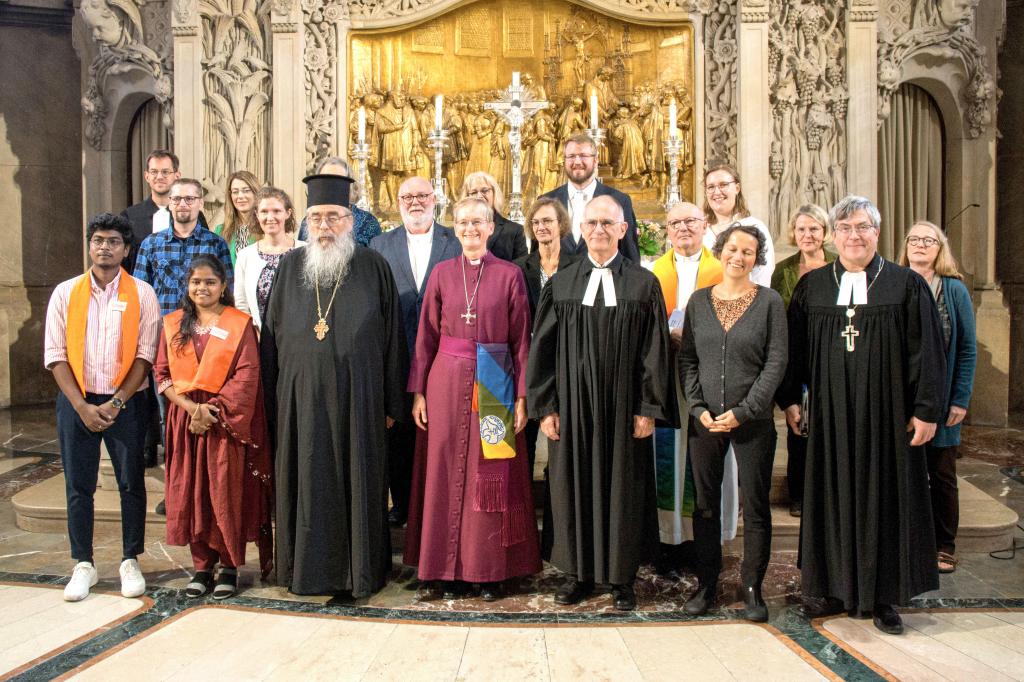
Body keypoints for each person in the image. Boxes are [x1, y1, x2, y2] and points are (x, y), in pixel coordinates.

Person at [781, 195, 946, 635]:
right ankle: (833, 587)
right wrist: (791, 400)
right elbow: (793, 352)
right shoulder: (813, 287)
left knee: (884, 497)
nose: (854, 235)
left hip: (888, 416)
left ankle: (883, 597)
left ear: (877, 232)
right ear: (834, 236)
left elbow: (927, 352)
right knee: (830, 494)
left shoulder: (904, 285)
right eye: (846, 228)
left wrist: (927, 410)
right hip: (830, 416)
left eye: (862, 227)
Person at [260, 173, 407, 599]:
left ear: (350, 220)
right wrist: (273, 403)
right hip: (299, 403)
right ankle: (304, 570)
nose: (325, 226)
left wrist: (390, 403)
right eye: (317, 217)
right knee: (306, 478)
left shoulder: (373, 266)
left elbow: (394, 339)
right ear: (305, 223)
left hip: (360, 401)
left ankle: (359, 570)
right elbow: (270, 340)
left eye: (334, 217)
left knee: (359, 482)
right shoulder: (289, 268)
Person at [527, 195, 676, 611]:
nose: (599, 230)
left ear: (623, 230)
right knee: (572, 484)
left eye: (608, 223)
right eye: (592, 222)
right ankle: (577, 574)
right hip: (573, 408)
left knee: (622, 488)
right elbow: (542, 350)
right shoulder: (561, 283)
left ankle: (621, 577)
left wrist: (648, 408)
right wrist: (546, 406)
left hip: (624, 408)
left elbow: (654, 352)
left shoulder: (643, 285)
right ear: (580, 229)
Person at [404, 197, 541, 602]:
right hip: (445, 379)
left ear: (491, 227)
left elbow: (522, 342)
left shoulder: (511, 275)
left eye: (478, 222)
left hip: (496, 375)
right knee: (444, 468)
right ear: (455, 227)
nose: (470, 229)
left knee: (490, 474)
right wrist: (418, 392)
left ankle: (489, 569)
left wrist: (521, 396)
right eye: (463, 222)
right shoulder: (443, 274)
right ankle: (440, 568)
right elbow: (425, 336)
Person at [44, 213, 160, 602]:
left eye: (113, 241)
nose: (104, 247)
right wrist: (81, 406)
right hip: (77, 401)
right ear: (89, 245)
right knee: (78, 485)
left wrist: (115, 402)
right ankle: (83, 563)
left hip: (125, 402)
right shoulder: (65, 293)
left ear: (126, 250)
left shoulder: (142, 293)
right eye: (97, 240)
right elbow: (55, 354)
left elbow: (146, 356)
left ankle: (130, 559)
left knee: (131, 484)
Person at [679, 224, 788, 622]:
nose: (738, 257)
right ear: (720, 251)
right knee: (706, 505)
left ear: (755, 260)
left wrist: (745, 410)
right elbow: (688, 359)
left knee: (756, 506)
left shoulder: (769, 302)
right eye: (733, 248)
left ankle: (752, 588)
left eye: (748, 251)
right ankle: (707, 583)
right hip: (706, 420)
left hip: (753, 421)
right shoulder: (699, 301)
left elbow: (776, 362)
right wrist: (697, 407)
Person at [154, 255, 273, 599]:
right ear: (187, 287)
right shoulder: (174, 324)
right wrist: (193, 408)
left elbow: (248, 373)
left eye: (209, 282)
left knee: (224, 491)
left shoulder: (240, 324)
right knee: (193, 493)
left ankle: (230, 565)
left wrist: (214, 411)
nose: (202, 288)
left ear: (223, 286)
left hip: (224, 423)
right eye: (195, 282)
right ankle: (202, 567)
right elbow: (162, 375)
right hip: (188, 423)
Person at [369, 176, 461, 526]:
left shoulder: (454, 241)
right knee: (399, 432)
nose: (415, 202)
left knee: (443, 433)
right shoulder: (380, 244)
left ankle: (439, 503)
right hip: (397, 352)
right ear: (398, 201)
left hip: (446, 355)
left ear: (435, 199)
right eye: (407, 196)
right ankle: (403, 505)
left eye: (422, 195)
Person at [898, 220, 977, 575]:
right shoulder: (894, 284)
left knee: (941, 473)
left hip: (942, 397)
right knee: (906, 474)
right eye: (914, 239)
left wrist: (960, 398)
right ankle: (910, 541)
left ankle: (944, 545)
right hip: (902, 398)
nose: (920, 245)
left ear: (940, 248)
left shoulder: (953, 289)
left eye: (928, 240)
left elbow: (967, 350)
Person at [649, 202, 724, 552]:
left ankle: (704, 538)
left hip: (708, 377)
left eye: (690, 221)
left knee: (702, 454)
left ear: (705, 225)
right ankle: (669, 535)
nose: (683, 228)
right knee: (668, 451)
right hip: (667, 374)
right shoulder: (653, 272)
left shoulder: (723, 270)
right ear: (667, 230)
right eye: (675, 223)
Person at [770, 204, 836, 517]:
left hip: (832, 355)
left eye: (814, 229)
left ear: (825, 233)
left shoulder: (840, 265)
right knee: (799, 426)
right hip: (795, 355)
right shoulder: (783, 269)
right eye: (801, 229)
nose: (807, 235)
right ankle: (799, 494)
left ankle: (829, 490)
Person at [134, 178, 233, 316]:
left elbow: (228, 291)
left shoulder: (216, 244)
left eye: (189, 199)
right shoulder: (151, 244)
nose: (182, 204)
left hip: (204, 328)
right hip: (162, 329)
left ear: (201, 203)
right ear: (169, 203)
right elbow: (139, 294)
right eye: (176, 199)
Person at [540, 133, 639, 262]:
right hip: (557, 281)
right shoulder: (546, 201)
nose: (577, 161)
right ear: (564, 160)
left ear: (595, 160)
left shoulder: (620, 200)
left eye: (583, 156)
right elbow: (538, 255)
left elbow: (630, 255)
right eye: (571, 156)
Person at [234, 186, 305, 331]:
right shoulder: (245, 256)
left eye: (277, 211)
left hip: (299, 339)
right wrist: (253, 335)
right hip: (260, 340)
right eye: (264, 212)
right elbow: (241, 304)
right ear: (257, 214)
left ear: (288, 213)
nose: (270, 217)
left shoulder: (306, 251)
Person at [702, 162, 775, 286]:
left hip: (747, 301)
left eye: (723, 185)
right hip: (706, 300)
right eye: (710, 187)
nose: (717, 192)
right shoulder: (701, 230)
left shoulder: (754, 226)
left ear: (737, 188)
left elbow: (763, 273)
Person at [297, 156, 382, 246]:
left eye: (339, 180)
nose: (332, 185)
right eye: (326, 180)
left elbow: (376, 256)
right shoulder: (308, 222)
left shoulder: (368, 222)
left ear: (350, 185)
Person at [121, 149, 178, 275]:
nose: (159, 177)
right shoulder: (129, 216)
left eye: (165, 172)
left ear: (177, 176)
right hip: (140, 290)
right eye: (154, 172)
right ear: (146, 176)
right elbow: (122, 263)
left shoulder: (191, 215)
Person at [460, 171, 528, 262]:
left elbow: (521, 270)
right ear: (466, 197)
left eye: (485, 191)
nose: (479, 196)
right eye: (473, 192)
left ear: (494, 193)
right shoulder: (458, 231)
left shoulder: (515, 231)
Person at [213, 170, 262, 266]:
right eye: (235, 192)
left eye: (246, 191)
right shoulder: (220, 231)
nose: (240, 196)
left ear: (256, 193)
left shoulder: (266, 229)